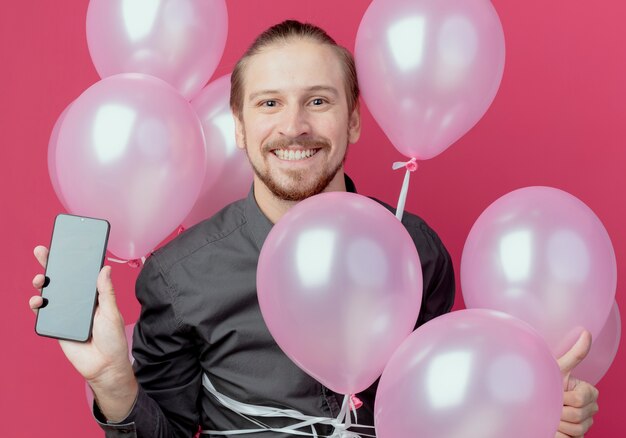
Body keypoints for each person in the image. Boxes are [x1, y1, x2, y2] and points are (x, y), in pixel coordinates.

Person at [30, 20, 598, 438]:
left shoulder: (416, 249)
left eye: (319, 101)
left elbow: (439, 408)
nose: (293, 127)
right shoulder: (180, 276)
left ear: (353, 119)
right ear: (240, 127)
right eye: (269, 102)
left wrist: (530, 409)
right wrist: (112, 381)